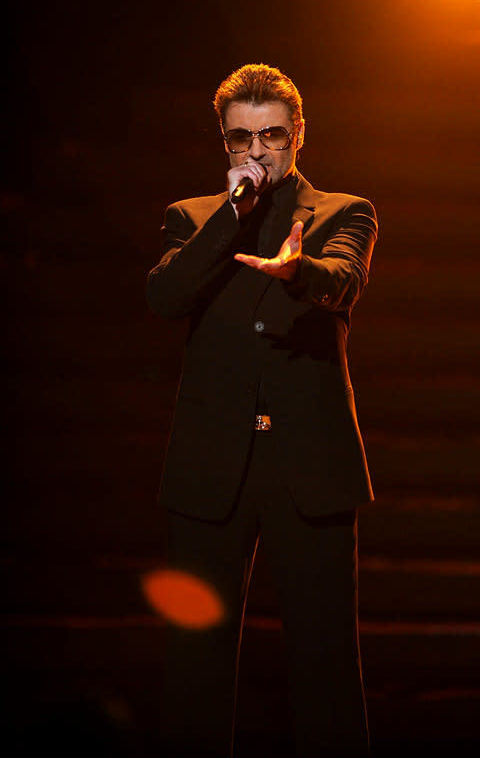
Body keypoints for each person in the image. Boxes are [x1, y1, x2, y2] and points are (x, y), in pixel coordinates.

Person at [146, 63, 378, 757]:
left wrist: (295, 272)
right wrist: (232, 217)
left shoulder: (344, 211)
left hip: (309, 468)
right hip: (210, 470)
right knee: (194, 680)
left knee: (327, 677)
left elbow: (343, 279)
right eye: (240, 139)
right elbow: (163, 296)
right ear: (224, 143)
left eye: (271, 135)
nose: (256, 152)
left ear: (298, 134)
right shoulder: (192, 219)